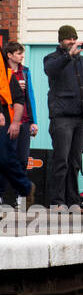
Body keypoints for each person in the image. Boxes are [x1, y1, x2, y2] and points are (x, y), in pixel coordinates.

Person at [43, 25, 83, 208]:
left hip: (80, 117)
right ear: (60, 41)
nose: (72, 42)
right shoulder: (52, 58)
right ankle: (57, 202)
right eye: (68, 39)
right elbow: (51, 70)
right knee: (61, 160)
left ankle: (73, 201)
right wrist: (68, 55)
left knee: (75, 162)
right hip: (61, 117)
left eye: (74, 39)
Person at [0, 41, 37, 204]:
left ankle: (24, 190)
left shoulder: (14, 74)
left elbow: (23, 99)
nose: (22, 56)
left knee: (9, 158)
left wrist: (21, 122)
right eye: (18, 53)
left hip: (9, 121)